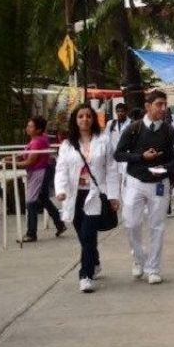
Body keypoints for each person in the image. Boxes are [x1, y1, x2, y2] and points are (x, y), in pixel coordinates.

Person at [114, 91, 174, 284]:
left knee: (157, 226)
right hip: (135, 182)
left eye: (164, 104)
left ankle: (153, 268)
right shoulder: (134, 129)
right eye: (159, 104)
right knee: (131, 223)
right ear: (148, 106)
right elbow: (118, 154)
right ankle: (138, 257)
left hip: (159, 184)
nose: (163, 108)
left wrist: (165, 168)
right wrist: (141, 157)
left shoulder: (169, 131)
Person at [55, 104, 121, 293]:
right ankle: (95, 261)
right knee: (84, 237)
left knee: (88, 234)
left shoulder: (104, 141)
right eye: (81, 116)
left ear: (93, 120)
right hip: (75, 195)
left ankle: (85, 275)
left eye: (88, 116)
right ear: (75, 120)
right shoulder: (67, 145)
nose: (85, 119)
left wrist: (113, 196)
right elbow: (61, 169)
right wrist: (60, 190)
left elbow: (111, 169)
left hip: (95, 194)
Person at [16, 116, 65, 243]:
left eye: (31, 126)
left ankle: (31, 233)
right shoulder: (38, 139)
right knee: (43, 199)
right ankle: (59, 223)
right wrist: (12, 158)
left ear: (38, 130)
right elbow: (25, 155)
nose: (27, 128)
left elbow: (30, 161)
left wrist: (11, 163)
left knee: (31, 201)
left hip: (39, 172)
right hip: (41, 171)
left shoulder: (37, 141)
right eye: (28, 126)